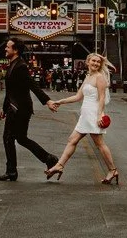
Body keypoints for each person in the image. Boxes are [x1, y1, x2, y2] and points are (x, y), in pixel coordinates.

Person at [45, 53, 120, 186]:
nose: (96, 63)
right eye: (93, 61)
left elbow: (102, 98)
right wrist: (60, 101)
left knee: (100, 144)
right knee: (72, 140)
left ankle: (112, 170)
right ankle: (59, 166)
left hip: (93, 114)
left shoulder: (99, 78)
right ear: (88, 62)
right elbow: (78, 96)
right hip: (85, 115)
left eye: (98, 62)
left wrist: (99, 115)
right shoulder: (88, 77)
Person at [0, 39, 60, 181]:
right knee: (20, 138)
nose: (5, 49)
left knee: (9, 138)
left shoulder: (20, 66)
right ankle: (49, 159)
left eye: (7, 47)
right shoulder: (13, 64)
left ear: (15, 50)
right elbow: (10, 91)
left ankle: (12, 171)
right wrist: (4, 109)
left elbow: (32, 85)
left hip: (20, 109)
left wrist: (47, 101)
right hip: (14, 108)